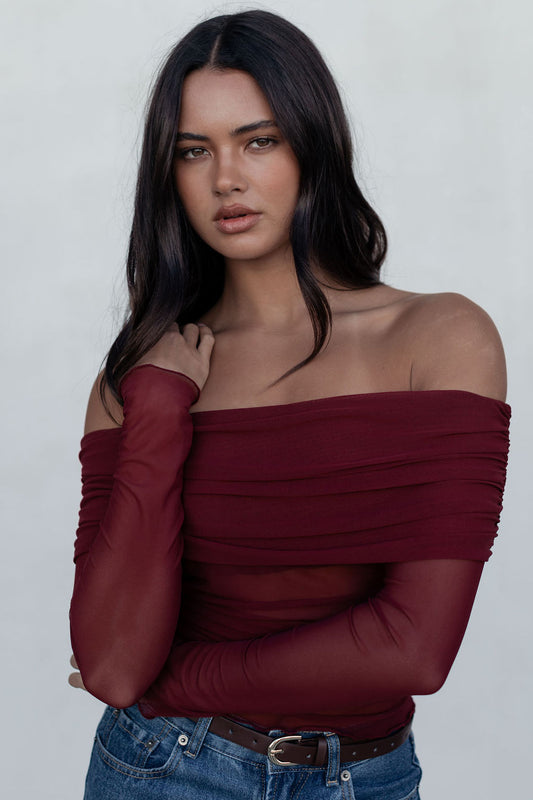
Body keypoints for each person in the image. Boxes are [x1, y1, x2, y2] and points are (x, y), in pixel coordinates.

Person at [67, 9, 510, 799]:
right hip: (165, 770)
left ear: (312, 143)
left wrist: (178, 677)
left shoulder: (438, 336)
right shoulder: (139, 378)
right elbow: (110, 663)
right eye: (193, 152)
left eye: (257, 140)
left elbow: (413, 650)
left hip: (364, 778)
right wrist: (162, 410)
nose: (225, 179)